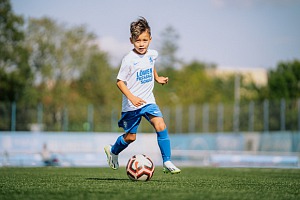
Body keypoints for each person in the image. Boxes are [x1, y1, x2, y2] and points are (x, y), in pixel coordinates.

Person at [104, 17, 181, 174]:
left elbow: (150, 64)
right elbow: (119, 82)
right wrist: (131, 97)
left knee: (161, 125)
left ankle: (167, 161)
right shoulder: (128, 60)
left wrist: (157, 77)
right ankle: (113, 151)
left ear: (150, 40)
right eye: (137, 40)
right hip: (132, 105)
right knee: (131, 137)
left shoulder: (152, 54)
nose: (141, 44)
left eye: (144, 40)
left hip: (148, 101)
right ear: (131, 40)